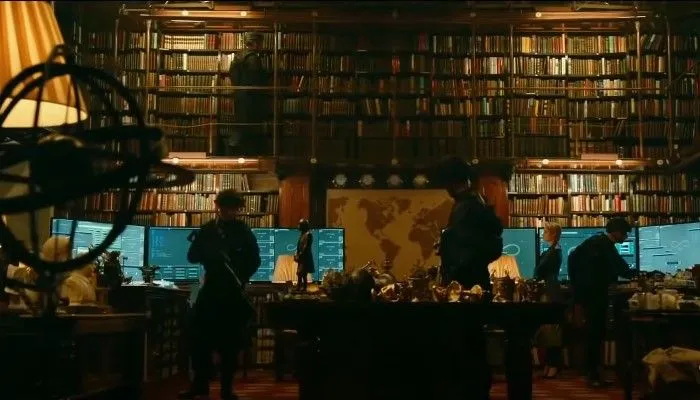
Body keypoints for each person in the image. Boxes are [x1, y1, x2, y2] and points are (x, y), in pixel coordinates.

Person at [179, 189, 261, 400]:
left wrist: (241, 274)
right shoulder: (208, 230)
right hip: (211, 290)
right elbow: (192, 256)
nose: (230, 212)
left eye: (234, 208)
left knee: (230, 344)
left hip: (233, 292)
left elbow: (255, 260)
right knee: (199, 340)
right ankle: (200, 385)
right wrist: (207, 251)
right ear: (218, 207)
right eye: (226, 208)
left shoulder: (243, 231)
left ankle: (226, 389)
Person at [436, 155, 503, 400]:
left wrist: (449, 257)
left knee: (465, 346)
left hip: (463, 288)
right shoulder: (477, 203)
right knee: (473, 344)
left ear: (452, 183)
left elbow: (464, 249)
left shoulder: (465, 207)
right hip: (476, 283)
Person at [568, 217, 636, 388]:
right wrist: (640, 275)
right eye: (625, 233)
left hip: (587, 295)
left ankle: (593, 373)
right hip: (595, 296)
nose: (626, 237)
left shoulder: (595, 241)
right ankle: (594, 375)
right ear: (617, 232)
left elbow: (575, 262)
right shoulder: (605, 245)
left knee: (593, 334)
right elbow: (621, 268)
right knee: (596, 334)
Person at [226, 32, 270, 156]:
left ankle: (235, 152)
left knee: (241, 125)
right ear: (255, 43)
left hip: (240, 96)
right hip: (252, 98)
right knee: (251, 127)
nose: (262, 46)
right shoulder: (253, 58)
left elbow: (233, 76)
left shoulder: (238, 57)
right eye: (261, 43)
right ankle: (249, 155)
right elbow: (256, 79)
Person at [534, 222, 563, 379]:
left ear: (553, 234)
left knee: (552, 328)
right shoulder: (551, 250)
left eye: (545, 231)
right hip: (549, 288)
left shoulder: (554, 252)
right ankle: (549, 362)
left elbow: (540, 270)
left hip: (551, 290)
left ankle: (554, 363)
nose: (543, 234)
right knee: (547, 328)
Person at [294, 219, 314, 291]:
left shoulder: (308, 235)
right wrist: (296, 254)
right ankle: (299, 287)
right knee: (299, 273)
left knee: (303, 273)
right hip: (301, 258)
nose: (298, 226)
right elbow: (299, 246)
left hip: (305, 258)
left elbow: (306, 247)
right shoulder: (302, 234)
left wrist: (300, 255)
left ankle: (304, 288)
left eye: (299, 225)